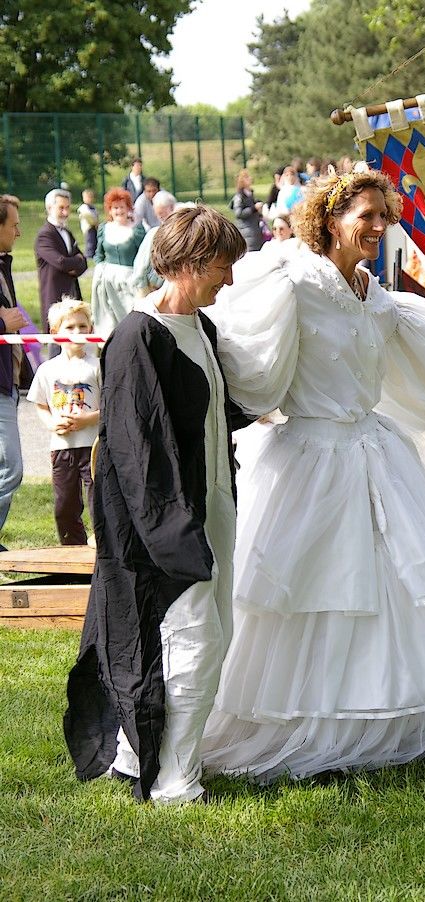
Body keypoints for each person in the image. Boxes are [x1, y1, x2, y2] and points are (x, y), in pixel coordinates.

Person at [201, 167, 425, 782]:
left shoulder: (377, 291)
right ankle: (300, 722)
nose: (378, 226)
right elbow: (249, 360)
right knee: (312, 593)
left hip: (375, 452)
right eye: (366, 215)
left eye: (384, 215)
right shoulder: (292, 280)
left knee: (395, 588)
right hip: (309, 458)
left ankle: (385, 718)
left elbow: (420, 346)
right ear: (329, 219)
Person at [64, 204, 248, 804]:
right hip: (162, 522)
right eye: (224, 264)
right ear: (191, 264)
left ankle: (136, 756)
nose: (229, 277)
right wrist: (175, 535)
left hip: (212, 503)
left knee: (205, 634)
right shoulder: (140, 335)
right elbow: (137, 448)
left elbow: (209, 412)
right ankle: (174, 780)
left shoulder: (203, 328)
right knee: (197, 640)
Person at [26, 298, 100, 546]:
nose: (77, 332)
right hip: (61, 448)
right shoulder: (47, 369)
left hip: (93, 446)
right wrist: (51, 423)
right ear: (55, 333)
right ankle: (71, 548)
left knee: (97, 499)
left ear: (91, 329)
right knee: (64, 505)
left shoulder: (98, 366)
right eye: (70, 327)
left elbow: (111, 404)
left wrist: (88, 418)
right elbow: (40, 404)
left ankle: (103, 545)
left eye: (82, 326)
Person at [0, 194, 32, 548]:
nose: (20, 232)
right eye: (14, 225)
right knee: (11, 470)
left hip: (8, 382)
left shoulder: (3, 263)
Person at [91, 187, 146, 335]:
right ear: (109, 210)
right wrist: (100, 270)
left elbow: (143, 257)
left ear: (129, 208)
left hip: (130, 281)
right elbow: (99, 254)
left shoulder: (137, 231)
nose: (119, 211)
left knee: (130, 316)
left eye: (122, 207)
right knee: (110, 321)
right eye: (115, 208)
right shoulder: (104, 229)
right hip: (107, 282)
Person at [35, 188, 88, 334]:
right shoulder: (44, 235)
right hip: (54, 296)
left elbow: (83, 263)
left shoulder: (67, 232)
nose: (65, 212)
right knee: (56, 344)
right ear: (50, 208)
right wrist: (75, 261)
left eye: (67, 208)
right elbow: (61, 263)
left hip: (72, 294)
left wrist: (75, 262)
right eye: (61, 208)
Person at [131, 190, 177, 296]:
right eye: (158, 213)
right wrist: (142, 289)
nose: (159, 216)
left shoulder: (177, 232)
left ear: (172, 208)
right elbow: (141, 266)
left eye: (162, 213)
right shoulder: (154, 233)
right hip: (153, 288)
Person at [231, 170, 264, 251]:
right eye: (247, 177)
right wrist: (254, 208)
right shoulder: (239, 196)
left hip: (254, 227)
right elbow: (238, 213)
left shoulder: (250, 194)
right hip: (246, 230)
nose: (250, 178)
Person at [77, 189, 99, 259]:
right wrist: (94, 222)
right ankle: (89, 254)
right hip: (88, 227)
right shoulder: (84, 207)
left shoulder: (93, 207)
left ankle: (95, 252)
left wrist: (97, 223)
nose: (89, 199)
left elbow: (96, 215)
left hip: (94, 227)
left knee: (95, 240)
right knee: (90, 241)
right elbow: (88, 216)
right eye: (87, 197)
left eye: (90, 197)